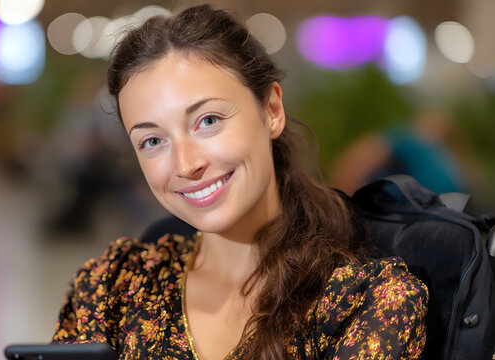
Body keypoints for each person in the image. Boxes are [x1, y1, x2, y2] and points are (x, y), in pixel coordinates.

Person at [52, 5, 428, 359]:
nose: (186, 164)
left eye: (209, 121)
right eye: (153, 141)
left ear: (272, 110)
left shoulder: (365, 302)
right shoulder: (112, 288)